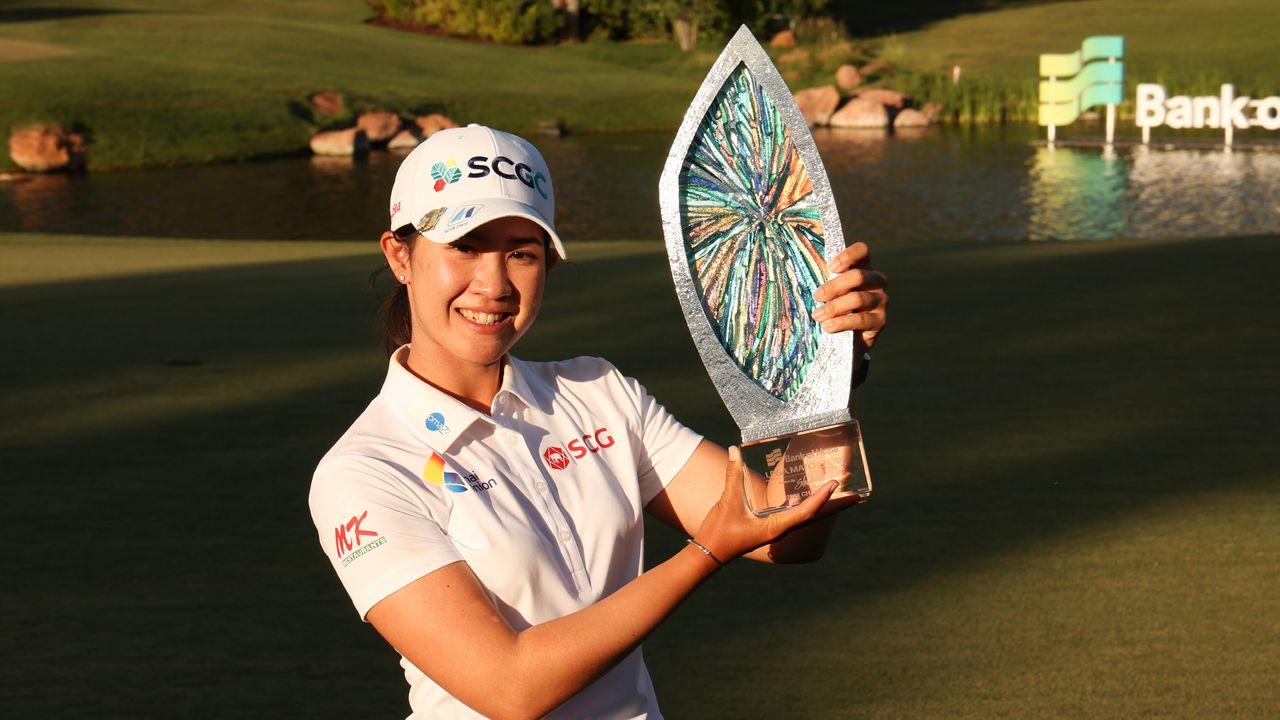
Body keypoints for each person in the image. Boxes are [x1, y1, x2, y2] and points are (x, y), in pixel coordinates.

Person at [309, 124, 888, 720]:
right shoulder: (362, 471)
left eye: (522, 253)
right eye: (465, 246)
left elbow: (788, 535)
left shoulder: (597, 391)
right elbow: (510, 687)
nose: (494, 283)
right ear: (399, 255)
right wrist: (704, 553)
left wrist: (827, 381)